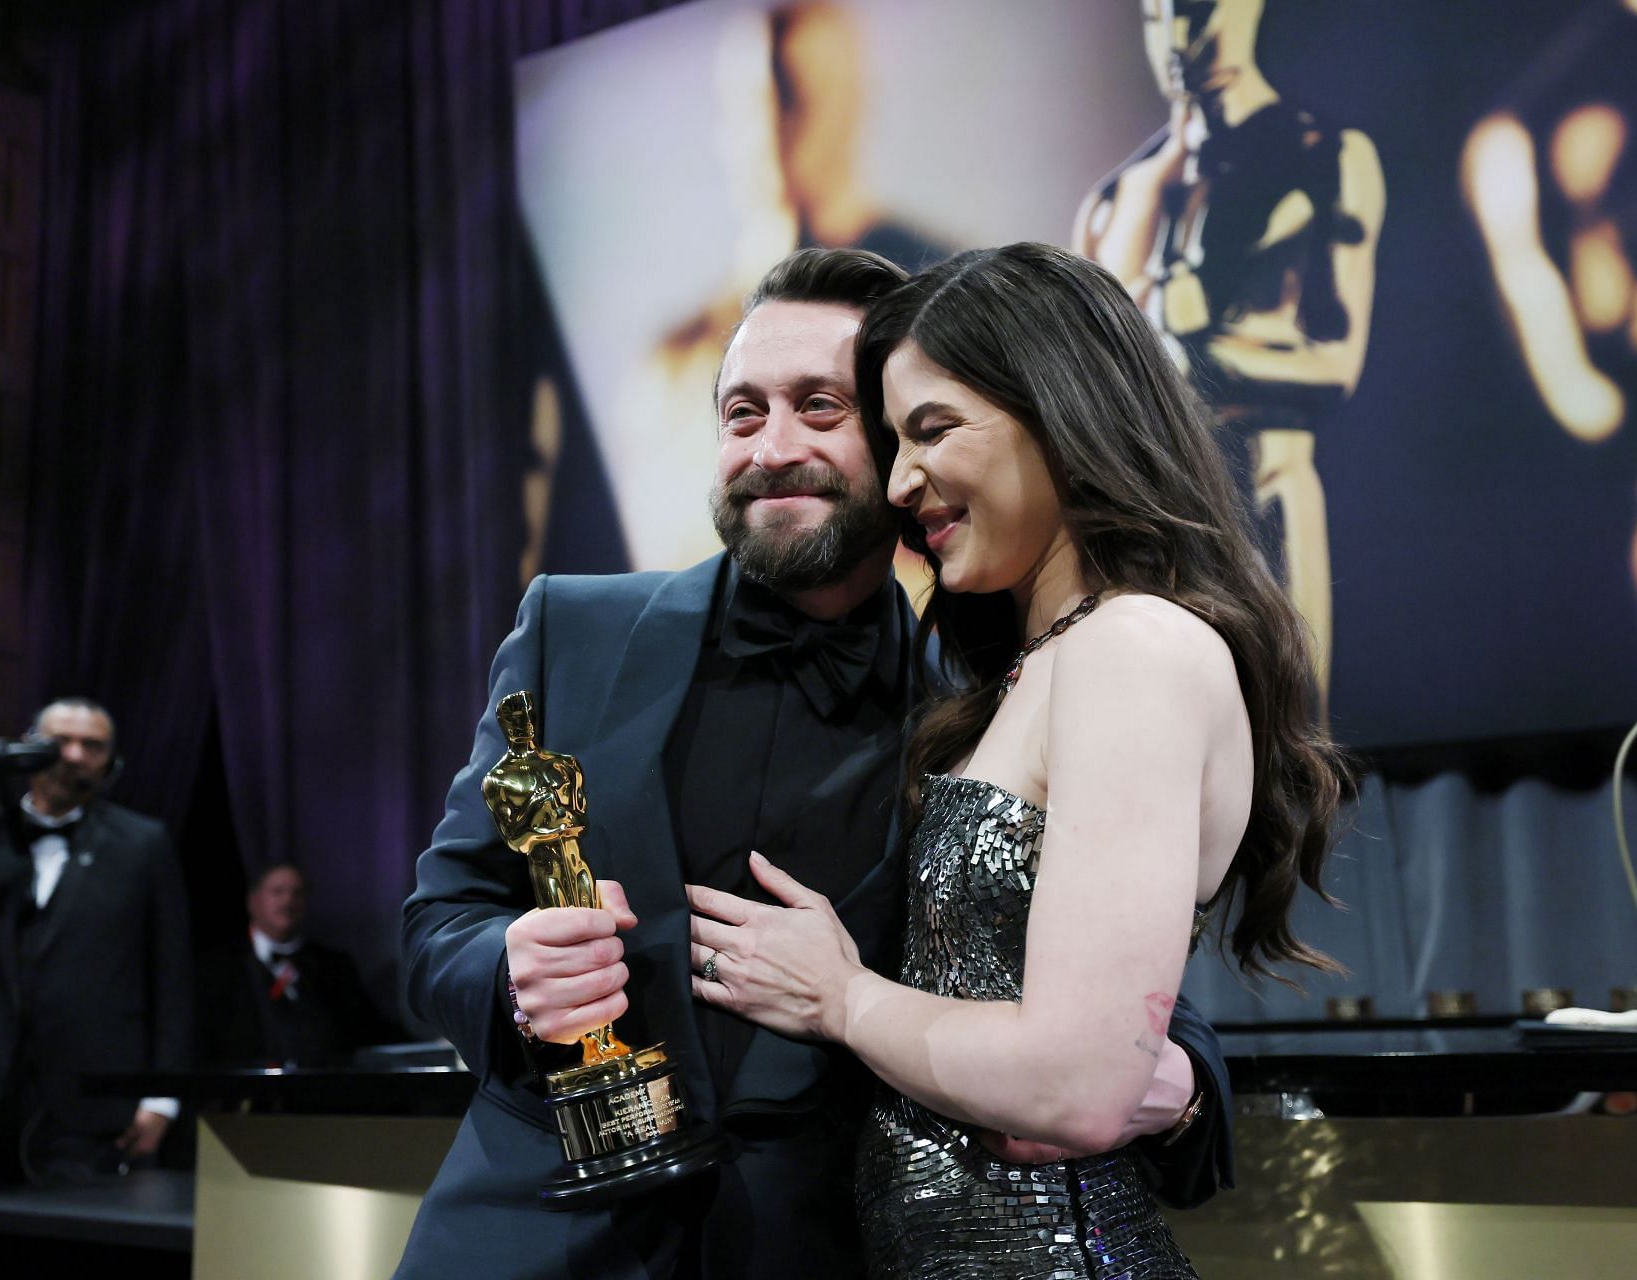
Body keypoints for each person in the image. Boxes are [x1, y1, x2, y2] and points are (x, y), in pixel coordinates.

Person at [395, 248, 1233, 1280]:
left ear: (898, 443)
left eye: (819, 406)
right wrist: (509, 968)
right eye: (742, 413)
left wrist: (1183, 1077)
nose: (771, 447)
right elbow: (438, 924)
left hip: (819, 1247)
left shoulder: (991, 698)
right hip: (533, 1239)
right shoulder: (573, 628)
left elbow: (1098, 985)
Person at [686, 243, 1350, 1278]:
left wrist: (843, 997)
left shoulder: (1133, 646)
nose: (902, 481)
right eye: (895, 439)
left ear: (1060, 409)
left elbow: (1079, 1083)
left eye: (933, 429)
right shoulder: (1045, 662)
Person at [1075, 0, 1385, 710]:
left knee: (1288, 764)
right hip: (1139, 539)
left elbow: (1334, 361)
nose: (1180, 37)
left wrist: (1183, 356)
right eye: (1158, 17)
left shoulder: (1323, 159)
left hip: (1266, 505)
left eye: (1196, 9)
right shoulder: (1113, 202)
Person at [0, 698, 191, 1188]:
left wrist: (162, 1099)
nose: (72, 755)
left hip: (90, 1119)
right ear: (24, 749)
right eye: (58, 741)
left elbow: (172, 980)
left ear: (111, 762)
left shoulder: (142, 845)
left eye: (92, 746)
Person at [194, 862, 402, 1067]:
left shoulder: (334, 966)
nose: (288, 901)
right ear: (253, 901)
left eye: (297, 893)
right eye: (277, 892)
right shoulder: (218, 968)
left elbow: (369, 1029)